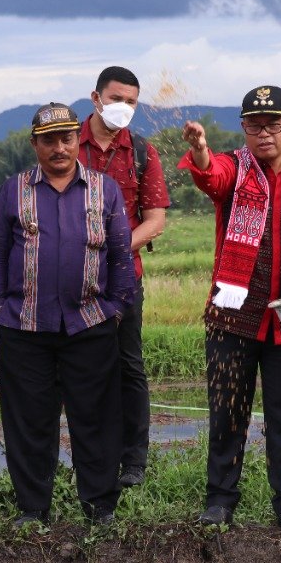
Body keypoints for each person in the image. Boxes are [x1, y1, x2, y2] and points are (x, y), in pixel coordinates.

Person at [180, 85, 281, 531]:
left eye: (273, 124)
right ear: (243, 129)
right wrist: (202, 151)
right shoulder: (234, 167)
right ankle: (220, 498)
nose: (264, 133)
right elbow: (212, 177)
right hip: (233, 315)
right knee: (228, 407)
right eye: (253, 125)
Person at [0, 103, 135, 527]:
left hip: (90, 323)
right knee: (29, 421)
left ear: (77, 141)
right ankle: (33, 509)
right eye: (49, 139)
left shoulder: (105, 190)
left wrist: (116, 308)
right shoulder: (13, 190)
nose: (59, 147)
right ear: (35, 144)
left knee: (97, 419)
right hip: (23, 326)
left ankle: (99, 507)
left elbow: (121, 256)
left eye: (67, 138)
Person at [77, 66, 171, 488]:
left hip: (123, 277)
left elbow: (155, 221)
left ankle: (134, 460)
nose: (123, 108)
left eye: (131, 102)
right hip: (71, 281)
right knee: (81, 370)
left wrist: (112, 247)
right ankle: (92, 458)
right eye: (116, 99)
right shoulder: (65, 143)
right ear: (96, 98)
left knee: (129, 367)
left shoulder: (143, 152)